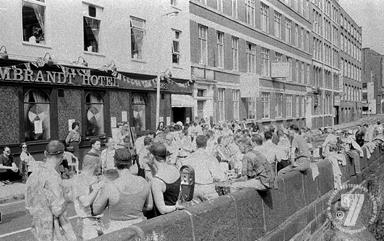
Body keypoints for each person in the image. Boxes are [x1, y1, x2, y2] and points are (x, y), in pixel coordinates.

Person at [25, 140, 77, 241]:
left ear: (45, 153)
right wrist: (68, 197)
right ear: (62, 157)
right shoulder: (54, 177)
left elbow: (27, 204)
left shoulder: (33, 174)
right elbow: (57, 210)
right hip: (52, 231)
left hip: (38, 227)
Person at [93, 149, 153, 233]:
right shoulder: (142, 181)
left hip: (118, 229)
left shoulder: (110, 186)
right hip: (139, 226)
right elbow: (149, 206)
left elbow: (96, 210)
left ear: (114, 163)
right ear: (131, 162)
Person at [182, 135, 226, 203]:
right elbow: (219, 176)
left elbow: (184, 176)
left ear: (196, 144)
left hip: (193, 188)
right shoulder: (210, 158)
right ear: (206, 144)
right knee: (215, 209)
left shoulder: (188, 158)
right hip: (207, 188)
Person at [71, 154, 104, 240]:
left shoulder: (94, 178)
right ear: (94, 165)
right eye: (99, 166)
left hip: (97, 221)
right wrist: (97, 188)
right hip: (87, 223)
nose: (100, 169)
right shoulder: (79, 180)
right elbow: (85, 202)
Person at [148, 143, 183, 215]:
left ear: (152, 156)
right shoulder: (175, 169)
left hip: (165, 218)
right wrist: (151, 166)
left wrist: (176, 207)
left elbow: (162, 209)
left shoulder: (157, 181)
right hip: (176, 213)